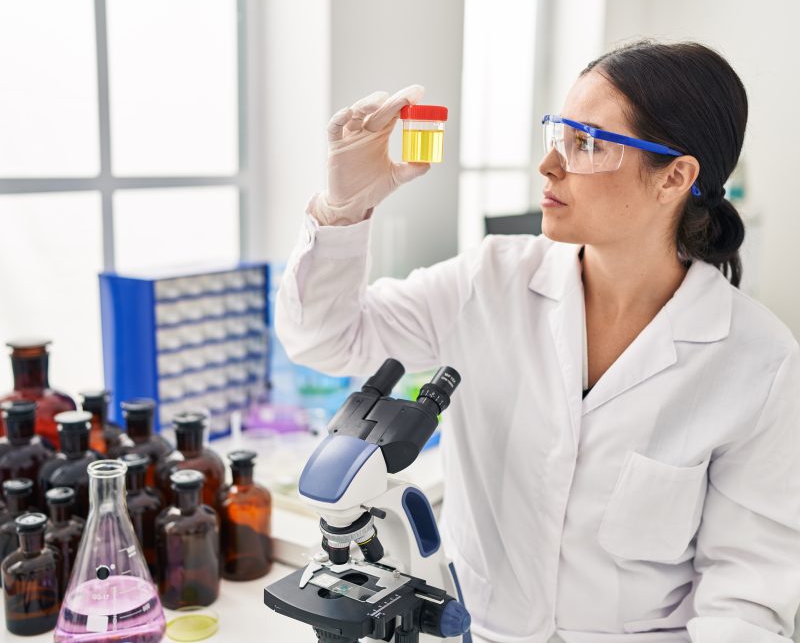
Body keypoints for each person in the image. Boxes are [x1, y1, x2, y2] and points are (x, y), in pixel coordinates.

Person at [275, 40, 800, 643]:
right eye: (559, 134)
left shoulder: (757, 360)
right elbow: (325, 339)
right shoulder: (489, 280)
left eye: (589, 144)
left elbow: (745, 600)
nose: (549, 166)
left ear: (675, 177)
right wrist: (345, 207)